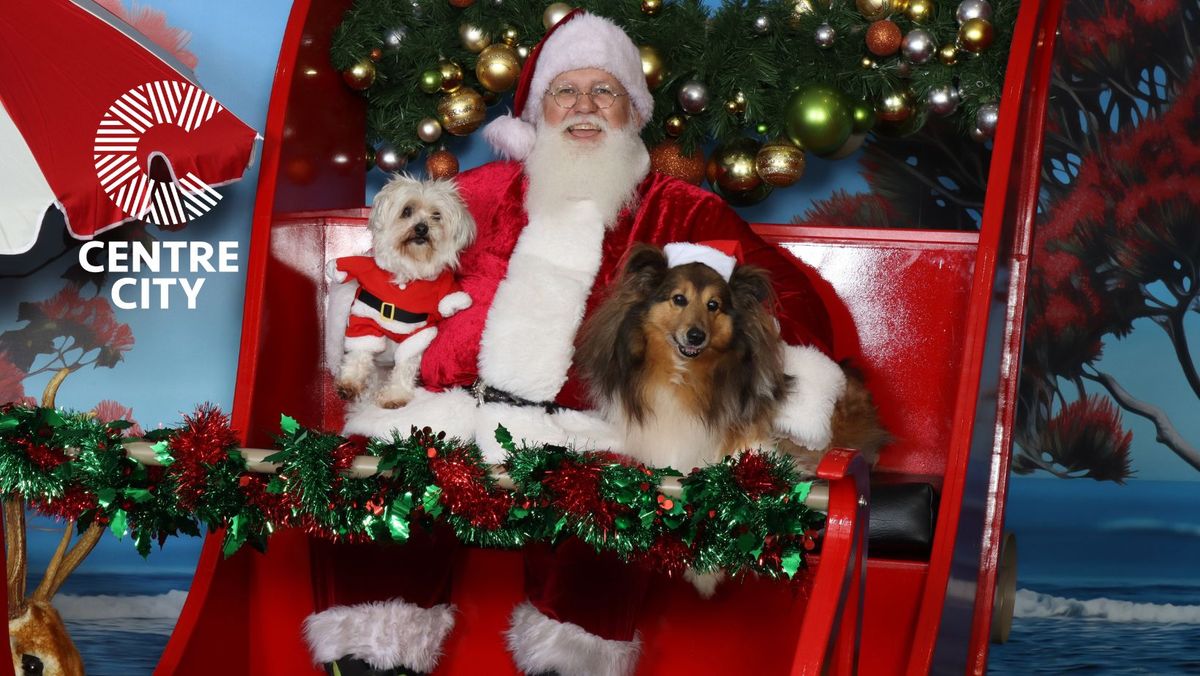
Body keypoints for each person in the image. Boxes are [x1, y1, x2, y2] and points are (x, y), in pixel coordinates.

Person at [306, 11, 849, 676]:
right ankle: (370, 658)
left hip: (594, 427)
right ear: (538, 110)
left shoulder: (682, 211)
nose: (584, 108)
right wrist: (369, 337)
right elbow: (391, 268)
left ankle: (572, 662)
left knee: (609, 519)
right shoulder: (476, 194)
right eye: (566, 91)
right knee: (373, 481)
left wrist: (786, 390)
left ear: (633, 112)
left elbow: (786, 302)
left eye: (604, 92)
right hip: (454, 410)